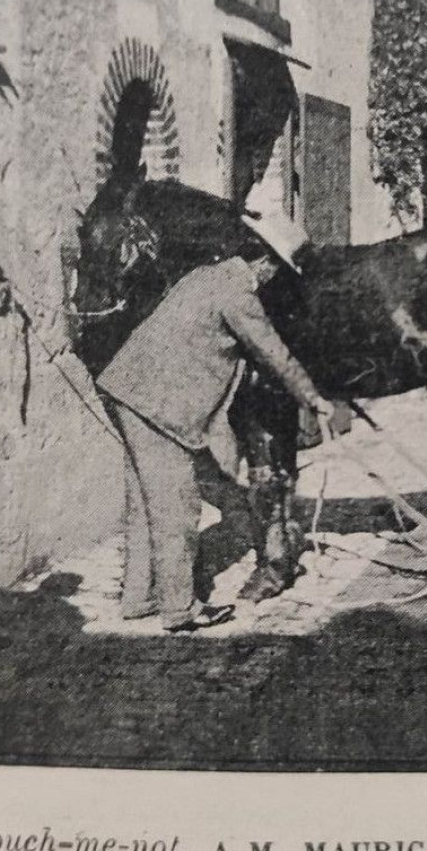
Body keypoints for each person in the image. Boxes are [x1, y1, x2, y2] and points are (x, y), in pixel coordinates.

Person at [97, 208, 333, 633]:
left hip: (127, 389)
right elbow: (271, 352)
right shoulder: (239, 294)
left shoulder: (206, 275)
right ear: (266, 262)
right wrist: (314, 397)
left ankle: (139, 598)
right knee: (177, 508)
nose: (272, 281)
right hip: (160, 406)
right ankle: (179, 609)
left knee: (144, 504)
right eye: (276, 271)